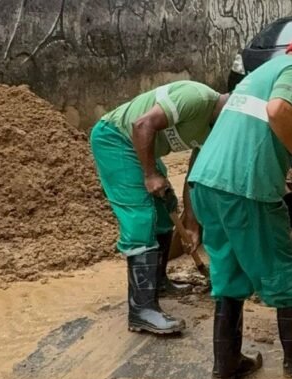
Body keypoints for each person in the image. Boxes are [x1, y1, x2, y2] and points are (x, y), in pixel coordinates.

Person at [185, 25, 292, 379]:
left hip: (206, 183)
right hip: (244, 190)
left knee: (227, 272)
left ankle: (226, 366)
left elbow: (252, 135)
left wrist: (282, 193)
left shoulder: (260, 72)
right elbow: (278, 112)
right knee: (279, 268)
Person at [90, 81, 228, 335]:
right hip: (116, 138)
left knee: (165, 210)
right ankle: (141, 310)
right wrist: (150, 174)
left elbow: (194, 176)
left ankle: (158, 282)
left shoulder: (217, 131)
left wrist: (192, 224)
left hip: (142, 147)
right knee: (141, 217)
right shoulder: (195, 98)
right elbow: (141, 125)